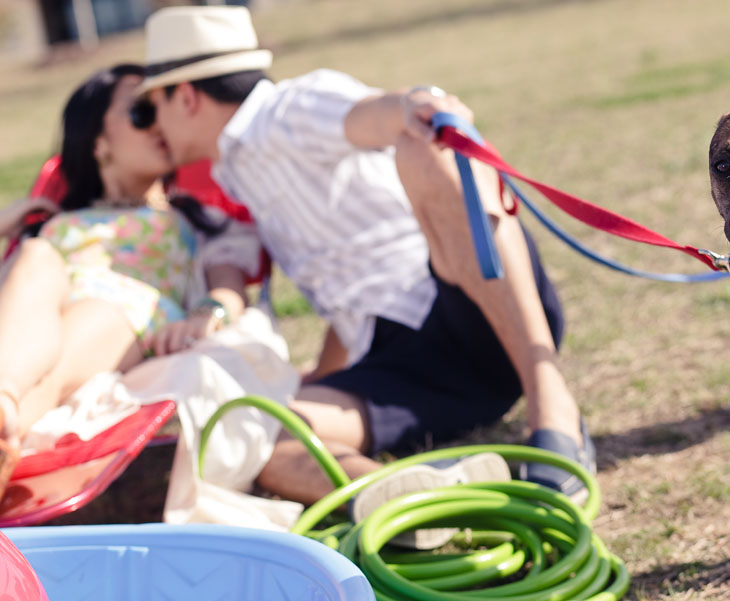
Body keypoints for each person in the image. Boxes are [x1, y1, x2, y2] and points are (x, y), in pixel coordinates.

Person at [137, 5, 595, 509]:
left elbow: (372, 116)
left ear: (184, 96)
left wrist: (410, 106)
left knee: (425, 148)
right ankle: (428, 502)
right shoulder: (236, 172)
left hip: (473, 307)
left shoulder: (288, 109)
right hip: (404, 366)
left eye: (149, 107)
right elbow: (348, 290)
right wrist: (320, 377)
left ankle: (552, 407)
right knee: (261, 438)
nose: (153, 125)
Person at [0, 64, 263, 498]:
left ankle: (8, 413)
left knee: (88, 317)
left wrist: (208, 312)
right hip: (40, 319)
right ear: (98, 142)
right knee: (35, 255)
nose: (160, 123)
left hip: (125, 312)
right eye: (142, 113)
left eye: (160, 109)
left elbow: (228, 285)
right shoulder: (52, 224)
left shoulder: (193, 219)